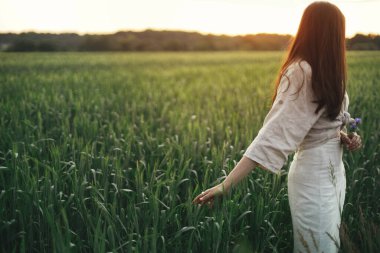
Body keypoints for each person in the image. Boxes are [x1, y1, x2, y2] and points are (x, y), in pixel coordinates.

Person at [192, 1, 362, 252]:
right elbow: (272, 135)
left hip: (335, 174)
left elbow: (319, 123)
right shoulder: (301, 72)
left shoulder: (327, 70)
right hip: (313, 177)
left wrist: (344, 136)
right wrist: (226, 185)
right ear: (328, 33)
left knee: (329, 246)